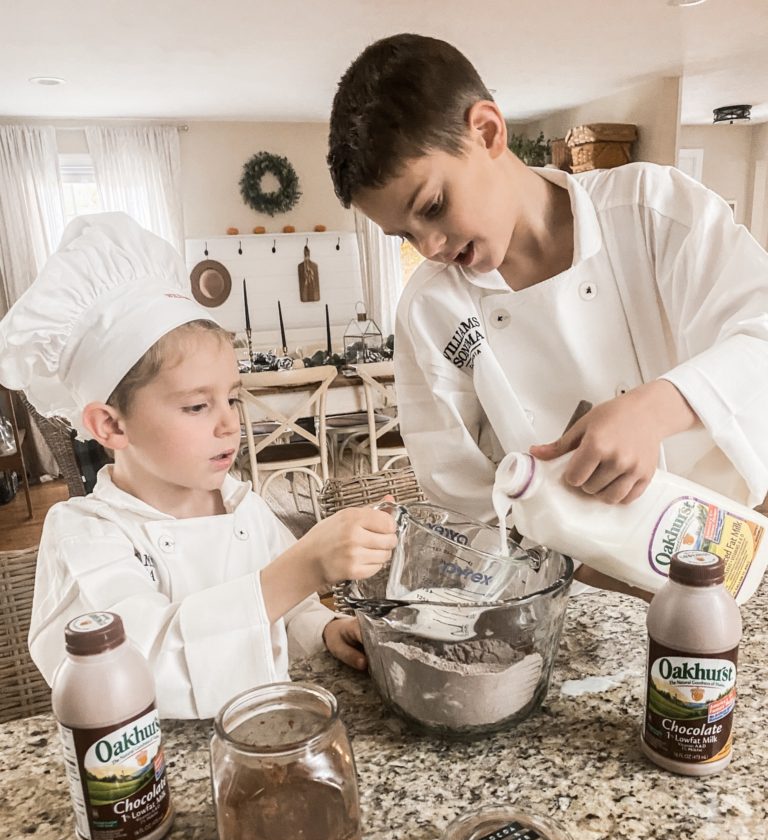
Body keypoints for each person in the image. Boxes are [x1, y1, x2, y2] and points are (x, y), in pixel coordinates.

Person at [327, 34, 768, 592]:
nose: (431, 245)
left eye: (433, 207)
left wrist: (652, 410)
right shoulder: (429, 310)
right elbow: (464, 506)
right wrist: (590, 569)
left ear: (486, 131)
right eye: (405, 234)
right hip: (571, 599)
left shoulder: (652, 210)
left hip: (734, 566)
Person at [0, 213, 397, 718]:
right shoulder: (85, 535)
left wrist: (320, 627)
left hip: (266, 739)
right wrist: (306, 565)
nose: (230, 424)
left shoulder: (238, 503)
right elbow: (141, 667)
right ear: (111, 426)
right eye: (195, 406)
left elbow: (285, 605)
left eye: (230, 399)